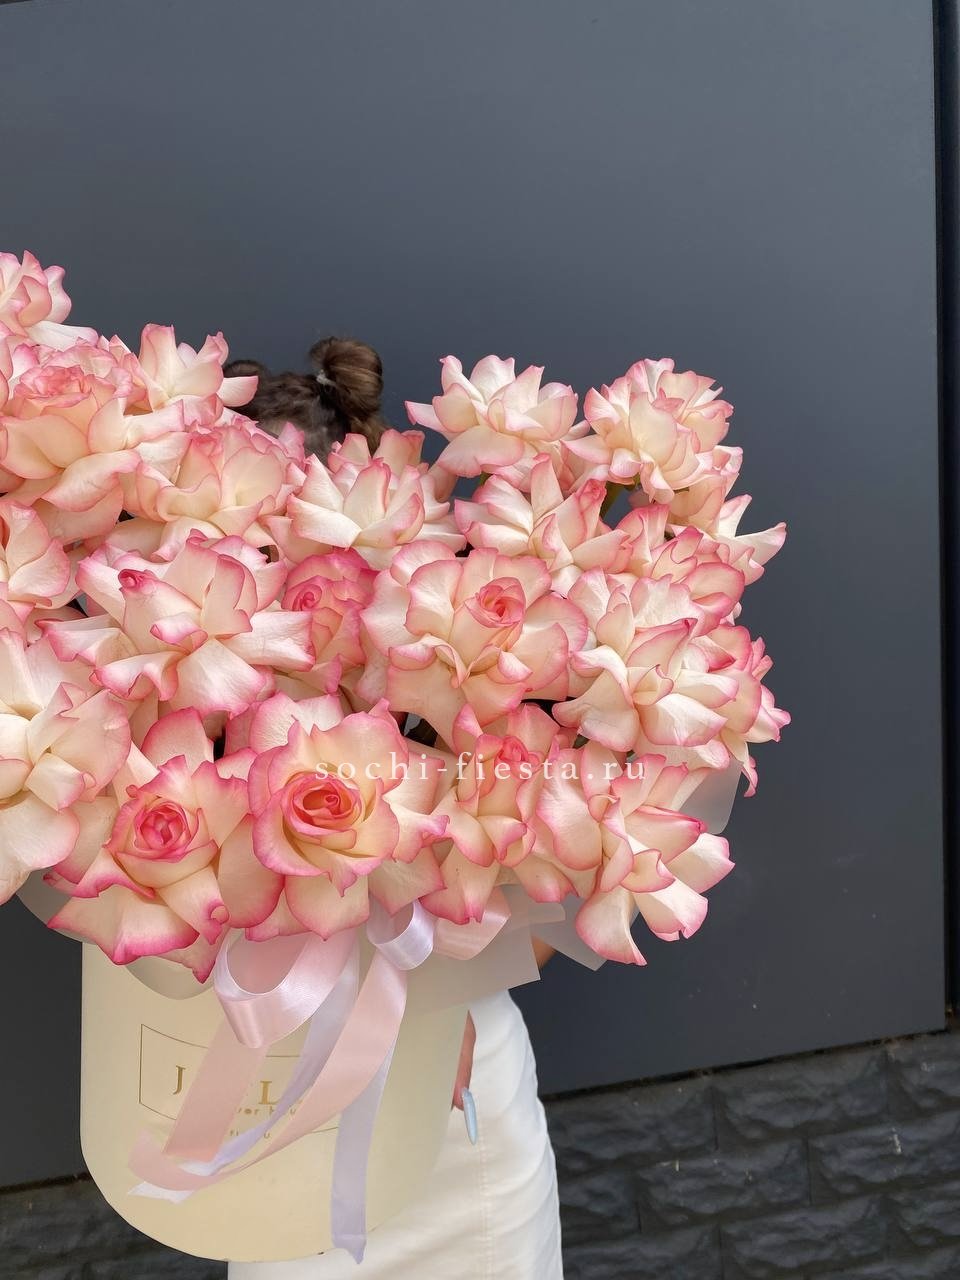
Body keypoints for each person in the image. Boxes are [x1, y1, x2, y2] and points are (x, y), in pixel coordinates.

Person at [224, 339, 565, 1278]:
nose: (278, 546)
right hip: (273, 1109)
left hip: (449, 1108)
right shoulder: (195, 697)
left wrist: (426, 1000)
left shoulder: (454, 670)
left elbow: (546, 901)